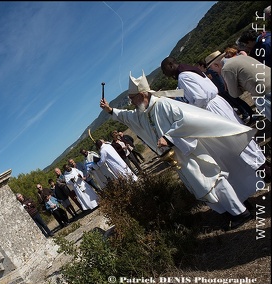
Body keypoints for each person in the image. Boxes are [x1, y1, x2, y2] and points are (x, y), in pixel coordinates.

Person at [99, 70, 258, 230]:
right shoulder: (142, 112)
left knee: (213, 180)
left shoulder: (163, 104)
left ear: (142, 95)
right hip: (178, 157)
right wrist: (110, 110)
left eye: (132, 98)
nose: (131, 102)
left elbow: (187, 120)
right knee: (200, 186)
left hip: (190, 152)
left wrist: (169, 138)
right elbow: (126, 116)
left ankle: (241, 212)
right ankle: (228, 212)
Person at [161, 56, 268, 188]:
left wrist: (191, 108)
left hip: (212, 109)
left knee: (235, 140)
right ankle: (262, 164)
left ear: (171, 65)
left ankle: (264, 170)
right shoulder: (190, 71)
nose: (165, 75)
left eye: (164, 71)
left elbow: (200, 97)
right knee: (239, 135)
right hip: (218, 104)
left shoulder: (183, 76)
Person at [206, 50, 271, 123]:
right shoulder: (240, 57)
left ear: (216, 65)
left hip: (264, 93)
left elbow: (234, 94)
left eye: (211, 68)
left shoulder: (226, 69)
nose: (213, 71)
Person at [196, 59, 253, 123]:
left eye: (198, 66)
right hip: (220, 92)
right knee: (233, 103)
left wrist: (225, 85)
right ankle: (245, 114)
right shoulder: (204, 74)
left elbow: (221, 75)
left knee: (237, 101)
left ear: (201, 65)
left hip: (224, 88)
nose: (197, 67)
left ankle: (248, 113)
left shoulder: (211, 70)